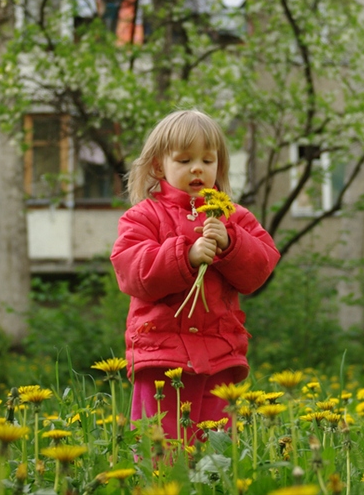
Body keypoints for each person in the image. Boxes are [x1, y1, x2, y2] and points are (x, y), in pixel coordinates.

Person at [110, 109, 280, 442]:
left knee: (216, 448)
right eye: (185, 160)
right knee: (159, 446)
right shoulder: (143, 216)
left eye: (207, 159)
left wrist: (231, 243)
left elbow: (261, 267)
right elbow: (131, 271)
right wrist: (184, 256)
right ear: (159, 166)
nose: (198, 168)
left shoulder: (234, 216)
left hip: (220, 353)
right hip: (161, 355)